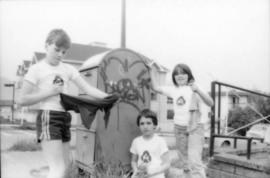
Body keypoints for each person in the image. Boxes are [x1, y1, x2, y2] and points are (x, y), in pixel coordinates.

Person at [17, 29, 110, 178]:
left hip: (64, 117)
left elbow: (88, 88)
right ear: (47, 45)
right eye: (57, 50)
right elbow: (22, 100)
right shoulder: (36, 69)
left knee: (65, 167)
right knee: (57, 168)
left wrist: (109, 97)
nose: (60, 55)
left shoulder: (67, 69)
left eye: (64, 52)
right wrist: (50, 92)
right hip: (48, 116)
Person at [148, 63, 213, 178]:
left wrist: (198, 90)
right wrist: (150, 70)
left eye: (183, 73)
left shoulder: (195, 87)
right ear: (174, 77)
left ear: (188, 75)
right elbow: (155, 88)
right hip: (179, 129)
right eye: (176, 74)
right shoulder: (173, 90)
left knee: (194, 161)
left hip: (195, 128)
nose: (180, 76)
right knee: (185, 163)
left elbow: (210, 103)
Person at [130, 109, 170, 178]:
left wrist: (153, 172)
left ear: (154, 125)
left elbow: (167, 164)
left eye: (148, 123)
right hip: (141, 175)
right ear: (139, 126)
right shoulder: (136, 141)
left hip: (156, 175)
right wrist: (135, 170)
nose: (145, 126)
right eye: (142, 124)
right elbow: (133, 161)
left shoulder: (160, 141)